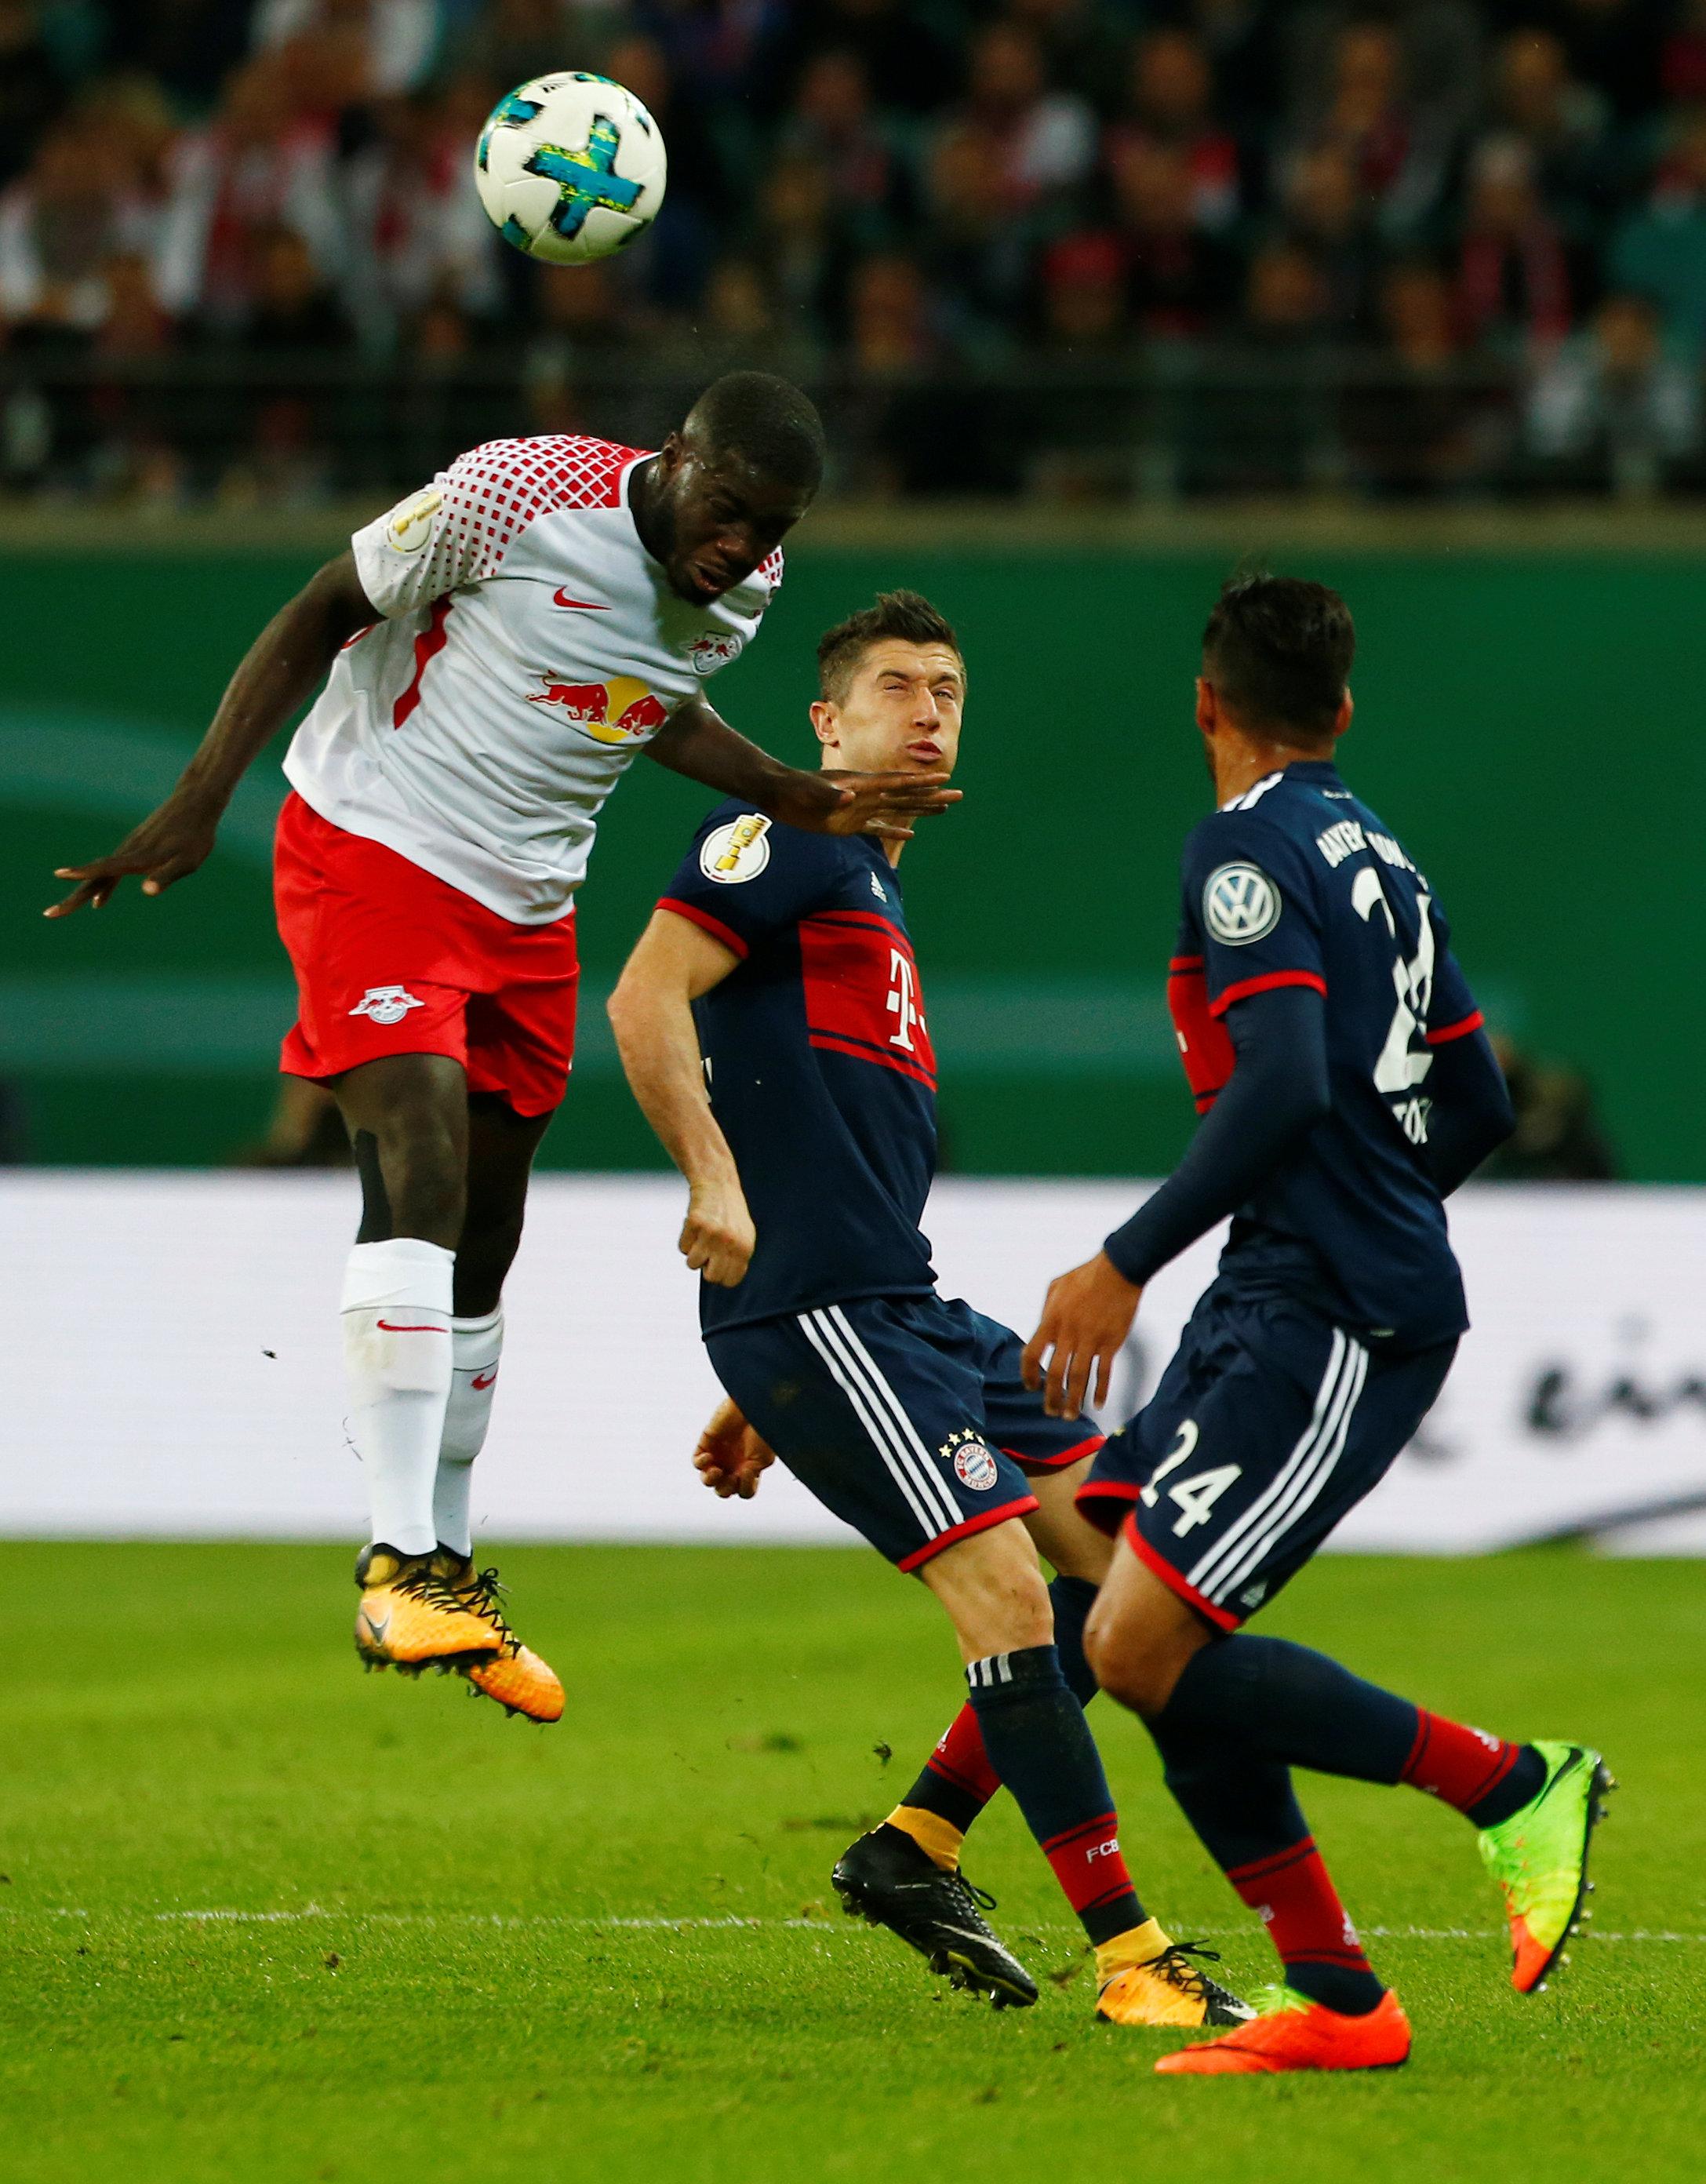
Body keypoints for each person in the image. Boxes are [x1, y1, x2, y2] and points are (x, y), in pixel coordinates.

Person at [46, 373, 955, 1724]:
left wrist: (789, 790)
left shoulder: (750, 587)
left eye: (771, 525)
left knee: (485, 1228)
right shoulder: (516, 491)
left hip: (530, 901)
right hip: (375, 841)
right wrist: (198, 799)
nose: (741, 545)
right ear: (674, 457)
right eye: (725, 509)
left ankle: (452, 1571)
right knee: (415, 1153)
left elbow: (642, 698)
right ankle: (395, 1561)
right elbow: (324, 605)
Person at [607, 591, 1249, 2033]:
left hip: (888, 1311)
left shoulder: (867, 883)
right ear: (825, 722)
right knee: (1009, 1596)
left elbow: (823, 1129)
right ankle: (1133, 1959)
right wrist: (714, 1186)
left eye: (948, 690)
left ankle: (919, 1842)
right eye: (895, 687)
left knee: (1125, 1572)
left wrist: (767, 1381)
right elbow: (644, 999)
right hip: (828, 1311)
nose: (928, 711)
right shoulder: (780, 835)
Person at [1020, 574, 1611, 2075]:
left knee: (1138, 1639)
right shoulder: (1382, 855)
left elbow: (1280, 1082)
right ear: (1342, 709)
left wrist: (1124, 1261)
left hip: (1330, 1304)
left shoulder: (1244, 845)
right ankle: (1339, 2001)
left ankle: (1510, 1785)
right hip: (1300, 1282)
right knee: (1127, 1608)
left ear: (1204, 704)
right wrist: (1373, 1202)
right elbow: (1477, 1100)